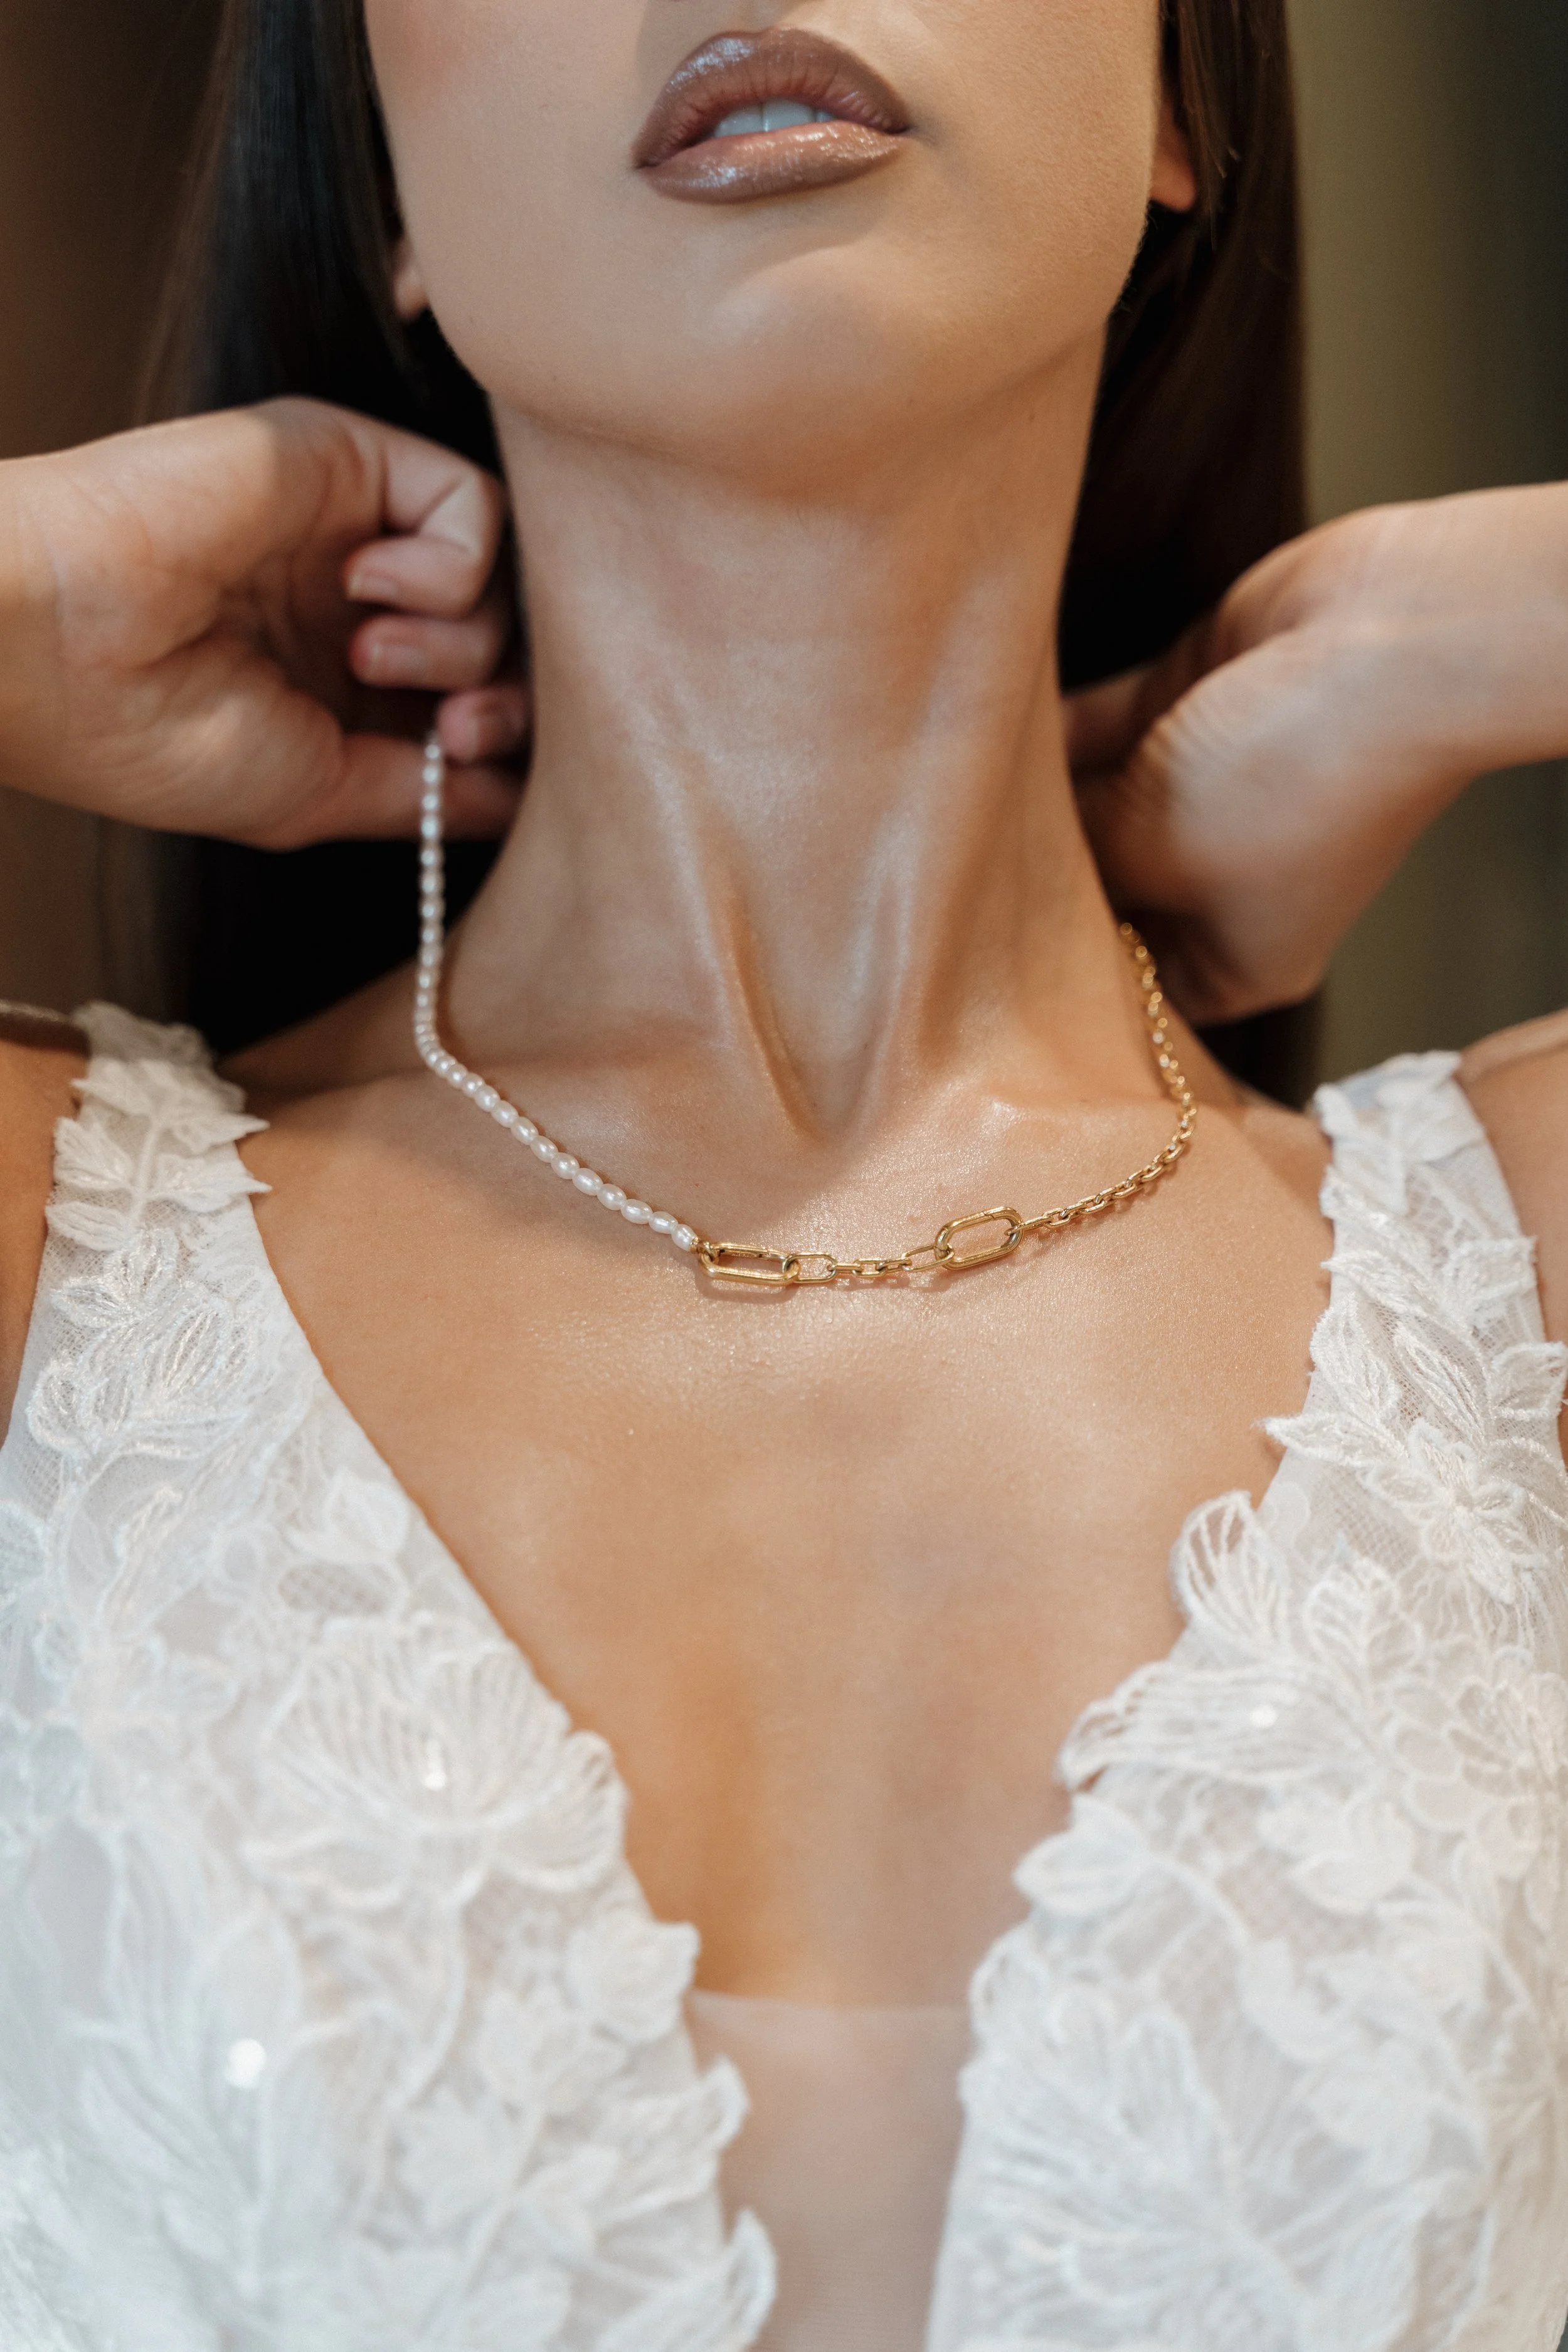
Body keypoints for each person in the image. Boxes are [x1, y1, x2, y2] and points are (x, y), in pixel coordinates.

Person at [1, 9, 1566, 2352]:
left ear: (1177, 98)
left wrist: (1444, 636)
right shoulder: (54, 1273)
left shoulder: (1511, 1279)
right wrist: (20, 591)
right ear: (385, 187)